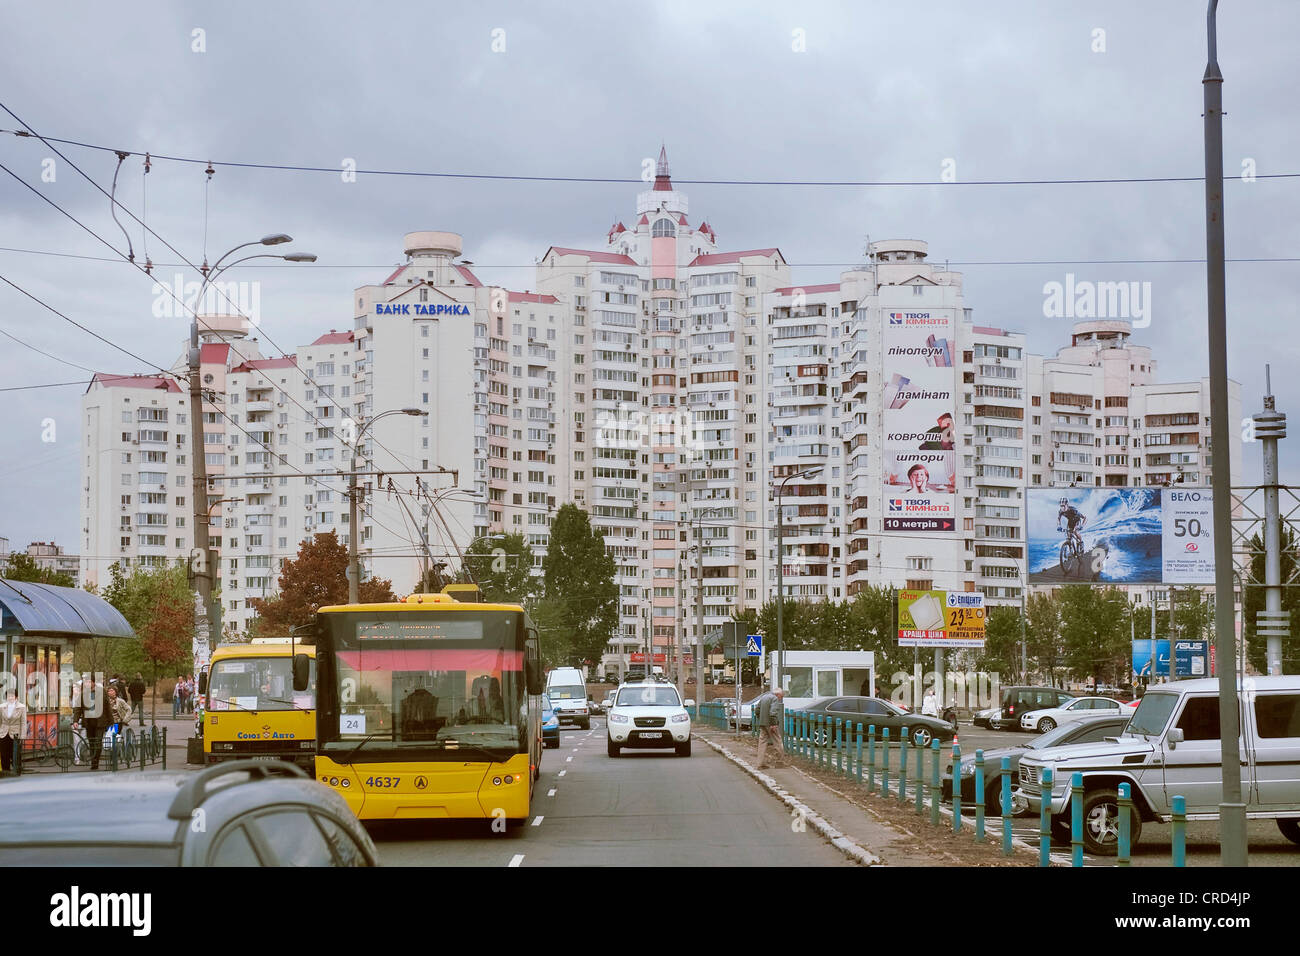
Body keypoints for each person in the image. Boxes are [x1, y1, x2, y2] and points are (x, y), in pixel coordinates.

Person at [75, 675, 105, 770]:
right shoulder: (83, 694)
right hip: (89, 722)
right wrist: (75, 720)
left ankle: (96, 760)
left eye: (88, 682)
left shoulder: (101, 692)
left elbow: (107, 707)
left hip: (100, 722)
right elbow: (78, 708)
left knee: (98, 741)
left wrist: (111, 722)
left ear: (93, 682)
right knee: (91, 742)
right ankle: (93, 761)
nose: (87, 684)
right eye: (85, 682)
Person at [755, 688, 785, 771]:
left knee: (762, 743)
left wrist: (760, 718)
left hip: (762, 724)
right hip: (771, 724)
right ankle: (780, 762)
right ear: (778, 694)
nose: (780, 699)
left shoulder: (764, 697)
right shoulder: (774, 699)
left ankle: (760, 764)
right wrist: (773, 723)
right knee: (778, 742)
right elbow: (773, 712)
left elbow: (757, 710)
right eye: (781, 696)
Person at [0, 689, 26, 775]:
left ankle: (17, 771)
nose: (10, 698)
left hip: (15, 733)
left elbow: (23, 722)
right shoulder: (1, 707)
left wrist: (22, 736)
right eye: (8, 696)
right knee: (4, 754)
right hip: (3, 733)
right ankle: (5, 771)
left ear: (16, 697)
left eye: (12, 696)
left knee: (15, 754)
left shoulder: (22, 707)